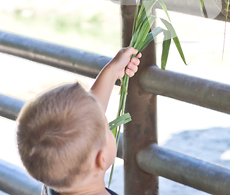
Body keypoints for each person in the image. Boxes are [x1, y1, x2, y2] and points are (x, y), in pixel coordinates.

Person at [16, 47, 141, 195]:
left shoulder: (53, 184)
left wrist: (113, 70)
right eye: (106, 127)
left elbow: (87, 118)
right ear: (101, 158)